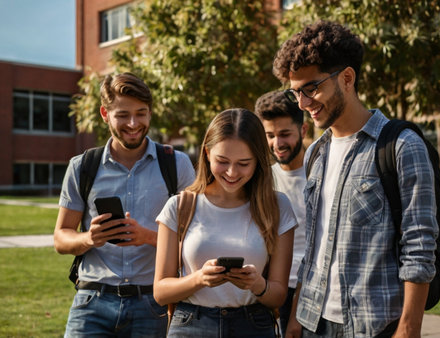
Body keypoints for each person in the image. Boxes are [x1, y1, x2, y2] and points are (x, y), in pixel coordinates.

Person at [273, 20, 438, 337]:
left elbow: (419, 247)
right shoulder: (315, 155)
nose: (304, 103)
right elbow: (315, 244)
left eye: (312, 88)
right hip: (313, 322)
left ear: (347, 78)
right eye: (296, 93)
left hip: (374, 326)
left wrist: (408, 328)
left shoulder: (402, 147)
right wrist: (296, 315)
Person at [54, 72, 196, 337]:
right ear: (105, 114)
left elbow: (197, 239)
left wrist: (148, 237)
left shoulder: (177, 165)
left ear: (150, 113)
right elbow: (61, 238)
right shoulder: (82, 167)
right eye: (122, 115)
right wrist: (90, 238)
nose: (133, 123)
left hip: (152, 304)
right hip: (92, 301)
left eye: (141, 113)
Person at [154, 108, 297, 337]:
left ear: (258, 161)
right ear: (207, 153)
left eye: (243, 163)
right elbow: (160, 292)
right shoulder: (179, 206)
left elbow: (278, 295)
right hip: (192, 325)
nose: (231, 172)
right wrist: (199, 279)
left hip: (254, 326)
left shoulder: (277, 206)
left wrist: (257, 284)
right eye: (223, 161)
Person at [255, 91, 308, 338]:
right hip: (268, 292)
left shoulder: (320, 175)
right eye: (270, 135)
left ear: (304, 131)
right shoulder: (261, 179)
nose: (277, 143)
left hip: (310, 294)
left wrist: (297, 311)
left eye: (285, 134)